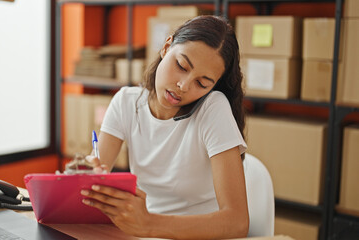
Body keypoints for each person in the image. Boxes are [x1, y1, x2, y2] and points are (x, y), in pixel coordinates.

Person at [80, 15, 249, 239]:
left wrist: (149, 224)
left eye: (202, 83)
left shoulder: (213, 108)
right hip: (144, 232)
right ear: (167, 47)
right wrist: (88, 175)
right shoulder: (126, 102)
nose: (183, 85)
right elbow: (96, 171)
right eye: (181, 65)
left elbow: (237, 222)